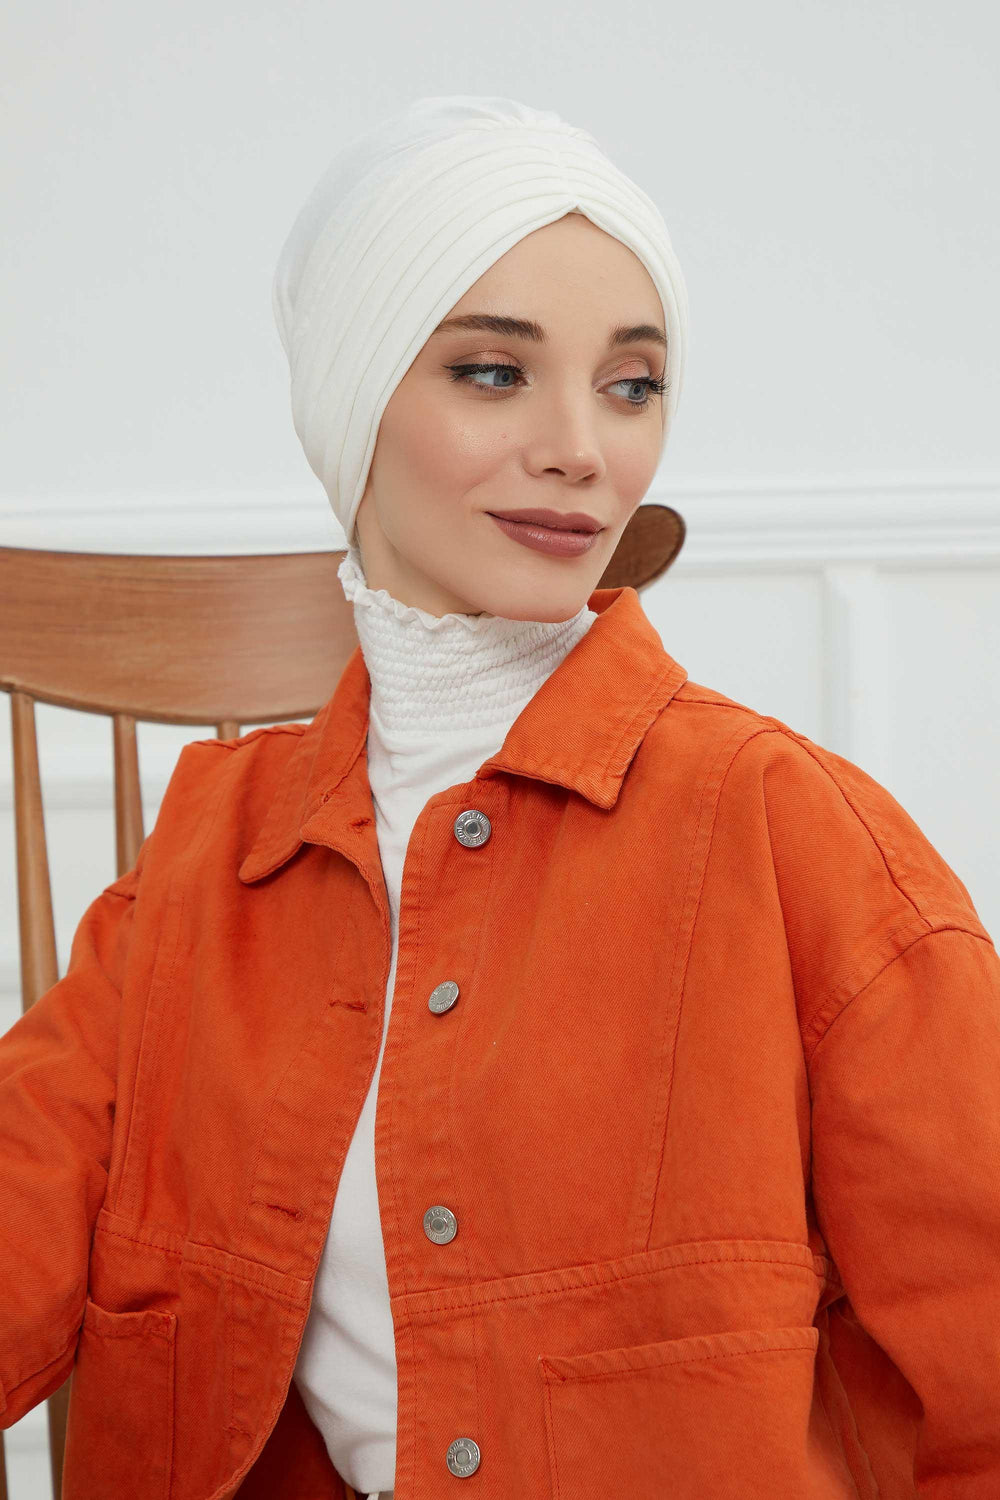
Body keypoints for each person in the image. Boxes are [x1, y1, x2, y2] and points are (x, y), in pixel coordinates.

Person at [2, 94, 998, 1500]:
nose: (583, 447)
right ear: (355, 402)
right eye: (492, 372)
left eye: (633, 384)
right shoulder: (205, 860)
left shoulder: (792, 833)